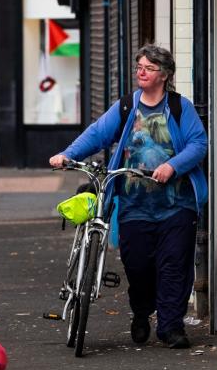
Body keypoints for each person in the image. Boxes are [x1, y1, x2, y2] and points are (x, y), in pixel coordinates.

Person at [49, 44, 208, 349]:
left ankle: (171, 327)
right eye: (139, 67)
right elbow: (97, 134)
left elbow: (198, 144)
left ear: (164, 74)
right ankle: (141, 313)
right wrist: (67, 155)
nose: (141, 72)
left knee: (174, 265)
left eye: (148, 68)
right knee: (138, 266)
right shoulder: (126, 107)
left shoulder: (179, 107)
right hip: (135, 206)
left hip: (177, 205)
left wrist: (172, 166)